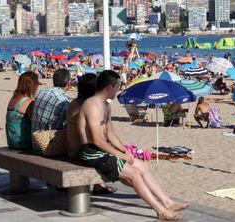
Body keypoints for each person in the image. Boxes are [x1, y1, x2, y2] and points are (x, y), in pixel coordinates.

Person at [76, 70, 187, 220]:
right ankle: (160, 211)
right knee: (134, 174)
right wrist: (120, 155)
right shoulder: (92, 105)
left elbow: (110, 134)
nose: (118, 90)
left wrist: (125, 151)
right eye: (118, 86)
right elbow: (97, 140)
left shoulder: (105, 106)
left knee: (142, 166)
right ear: (110, 87)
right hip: (92, 152)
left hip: (103, 150)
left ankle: (167, 202)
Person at [66, 74, 117, 195]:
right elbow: (98, 138)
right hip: (79, 153)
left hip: (71, 149)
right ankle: (99, 186)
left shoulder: (74, 103)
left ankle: (99, 186)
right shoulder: (89, 106)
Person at [31, 69, 71, 152]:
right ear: (68, 83)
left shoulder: (42, 92)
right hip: (49, 146)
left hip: (35, 142)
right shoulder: (64, 101)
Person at [6, 71, 40, 150]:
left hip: (11, 142)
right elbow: (35, 124)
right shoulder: (28, 102)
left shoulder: (13, 99)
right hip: (24, 144)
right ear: (32, 86)